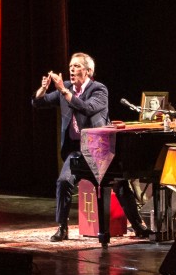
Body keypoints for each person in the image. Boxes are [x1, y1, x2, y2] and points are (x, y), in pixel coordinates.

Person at [32, 52, 147, 241]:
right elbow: (37, 102)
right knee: (63, 181)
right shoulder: (66, 88)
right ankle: (62, 227)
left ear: (88, 71)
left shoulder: (99, 89)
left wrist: (63, 91)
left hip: (99, 148)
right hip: (76, 150)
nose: (71, 69)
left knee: (119, 184)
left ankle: (138, 226)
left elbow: (87, 108)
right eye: (70, 66)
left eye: (77, 66)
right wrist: (43, 89)